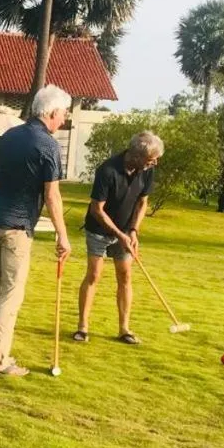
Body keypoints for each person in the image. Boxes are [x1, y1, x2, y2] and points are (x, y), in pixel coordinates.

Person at [0, 85, 73, 376]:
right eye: (64, 114)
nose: (64, 120)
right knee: (11, 293)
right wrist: (63, 235)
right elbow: (52, 196)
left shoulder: (9, 135)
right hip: (16, 227)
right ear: (52, 112)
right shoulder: (47, 145)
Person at [74, 131, 164, 345]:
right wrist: (119, 235)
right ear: (137, 156)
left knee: (125, 277)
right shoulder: (107, 170)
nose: (155, 163)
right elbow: (97, 209)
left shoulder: (146, 171)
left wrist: (133, 230)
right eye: (151, 160)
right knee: (94, 275)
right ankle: (82, 327)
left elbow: (143, 203)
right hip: (99, 229)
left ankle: (124, 329)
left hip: (125, 231)